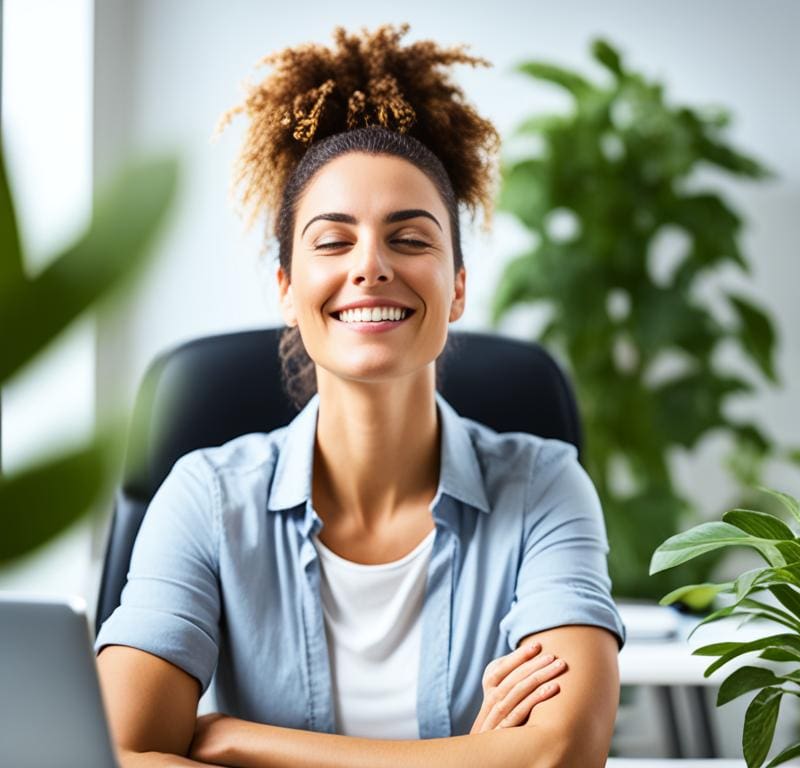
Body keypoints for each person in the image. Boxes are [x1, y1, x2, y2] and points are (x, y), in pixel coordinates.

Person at [95, 23, 626, 768]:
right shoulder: (207, 498)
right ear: (287, 289)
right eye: (332, 240)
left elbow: (560, 754)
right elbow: (115, 752)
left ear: (459, 287)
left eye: (410, 239)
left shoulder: (544, 488)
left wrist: (235, 741)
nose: (371, 266)